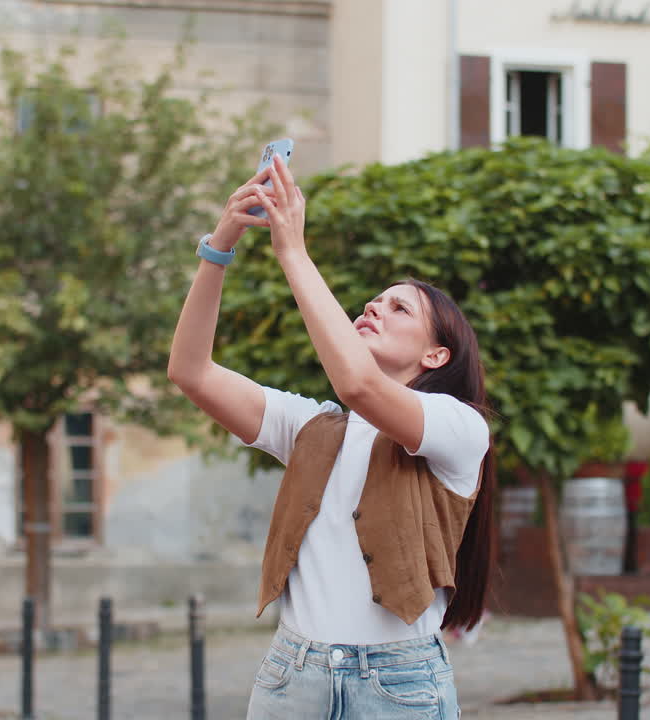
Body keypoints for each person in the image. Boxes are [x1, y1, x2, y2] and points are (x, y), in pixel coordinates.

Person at [168, 153, 496, 719]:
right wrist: (219, 246)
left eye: (399, 308)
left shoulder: (460, 428)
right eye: (375, 299)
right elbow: (190, 371)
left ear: (435, 354)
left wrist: (292, 250)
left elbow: (359, 385)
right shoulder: (313, 429)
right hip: (291, 675)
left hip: (399, 681)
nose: (374, 306)